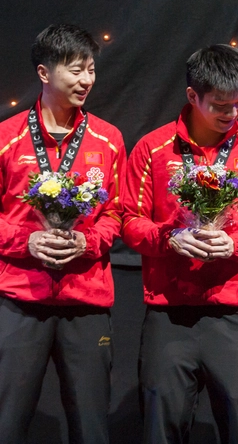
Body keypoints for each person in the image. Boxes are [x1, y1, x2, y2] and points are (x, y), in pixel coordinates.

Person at [121, 44, 238, 443]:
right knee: (161, 426)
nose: (232, 113)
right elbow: (129, 221)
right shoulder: (153, 149)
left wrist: (235, 244)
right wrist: (170, 238)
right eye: (221, 105)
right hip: (170, 312)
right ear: (193, 96)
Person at [0, 24, 125, 443]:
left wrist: (88, 241)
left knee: (91, 427)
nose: (86, 80)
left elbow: (118, 213)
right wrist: (26, 241)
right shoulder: (6, 138)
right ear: (44, 72)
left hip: (86, 300)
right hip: (19, 299)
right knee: (6, 423)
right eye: (75, 70)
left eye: (91, 69)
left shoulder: (108, 139)